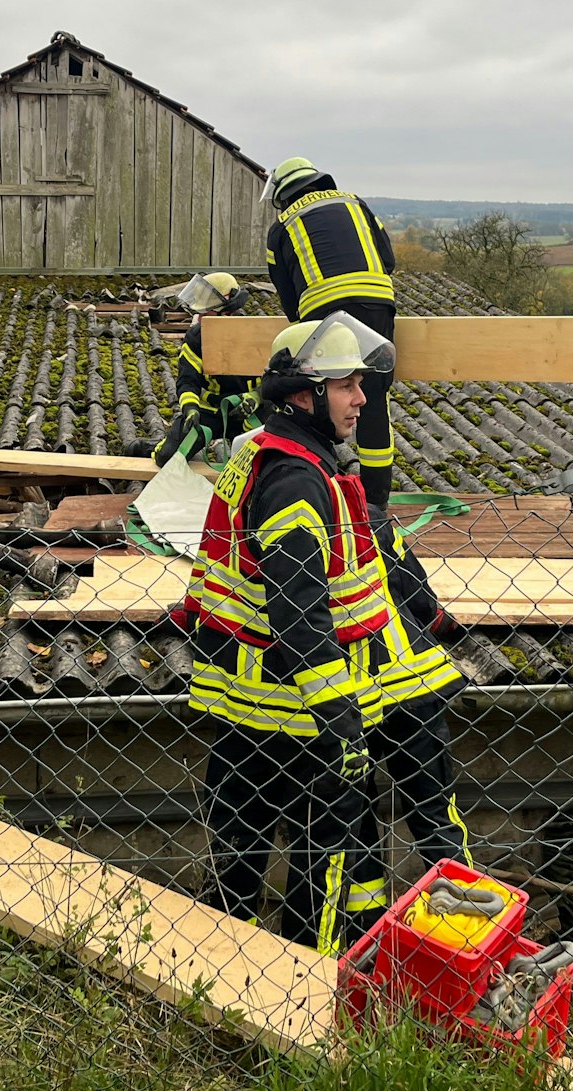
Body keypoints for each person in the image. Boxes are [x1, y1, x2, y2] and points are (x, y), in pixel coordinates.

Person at [181, 314, 393, 955]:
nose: (361, 399)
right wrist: (340, 717)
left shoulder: (259, 451)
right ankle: (307, 999)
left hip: (245, 711)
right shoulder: (296, 480)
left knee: (236, 879)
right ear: (305, 394)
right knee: (322, 877)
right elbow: (298, 607)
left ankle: (225, 993)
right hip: (302, 721)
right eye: (347, 385)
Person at [334, 519, 474, 934]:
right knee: (436, 814)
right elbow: (418, 595)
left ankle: (368, 941)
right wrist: (438, 622)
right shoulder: (363, 509)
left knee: (355, 822)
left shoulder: (276, 517)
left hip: (347, 704)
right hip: (412, 689)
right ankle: (467, 933)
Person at [262, 158, 400, 505]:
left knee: (320, 393)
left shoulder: (281, 226)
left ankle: (321, 483)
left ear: (282, 194)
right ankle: (376, 500)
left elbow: (286, 294)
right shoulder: (355, 203)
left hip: (323, 313)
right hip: (377, 303)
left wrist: (302, 326)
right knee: (371, 395)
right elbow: (389, 258)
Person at [155, 272, 252, 466]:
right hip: (209, 412)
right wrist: (191, 409)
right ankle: (149, 446)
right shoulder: (196, 338)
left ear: (227, 306)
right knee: (167, 457)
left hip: (249, 411)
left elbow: (273, 379)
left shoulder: (255, 333)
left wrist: (257, 396)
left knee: (263, 462)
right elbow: (188, 380)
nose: (200, 314)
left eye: (208, 304)